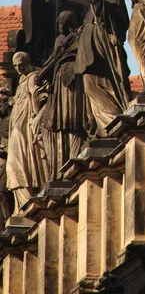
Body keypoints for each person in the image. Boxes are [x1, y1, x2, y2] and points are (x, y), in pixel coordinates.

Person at [74, 0, 131, 137]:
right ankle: (103, 128)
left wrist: (96, 1)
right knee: (91, 89)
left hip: (102, 54)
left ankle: (113, 126)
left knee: (104, 87)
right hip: (90, 54)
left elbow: (118, 21)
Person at [36, 11, 86, 180]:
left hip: (71, 80)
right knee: (55, 124)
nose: (59, 27)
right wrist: (43, 73)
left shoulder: (79, 36)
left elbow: (82, 54)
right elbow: (53, 57)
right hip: (58, 82)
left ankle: (73, 161)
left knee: (72, 120)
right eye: (58, 24)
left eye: (62, 23)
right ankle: (60, 167)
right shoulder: (59, 40)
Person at [6, 52, 47, 214]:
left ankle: (26, 201)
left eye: (21, 65)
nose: (18, 69)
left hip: (24, 129)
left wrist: (36, 117)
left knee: (18, 162)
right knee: (14, 163)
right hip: (17, 127)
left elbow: (39, 99)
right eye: (15, 66)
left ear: (28, 62)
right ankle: (20, 204)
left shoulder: (32, 78)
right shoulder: (22, 81)